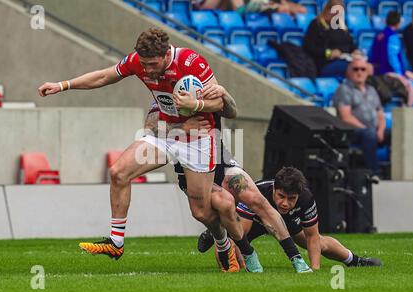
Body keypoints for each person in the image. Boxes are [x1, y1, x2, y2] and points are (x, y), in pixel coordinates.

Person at [38, 28, 239, 271]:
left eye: (153, 64)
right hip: (167, 133)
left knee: (201, 212)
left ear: (167, 54)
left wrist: (195, 104)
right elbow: (104, 76)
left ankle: (222, 243)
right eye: (144, 64)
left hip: (198, 139)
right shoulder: (138, 62)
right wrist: (63, 85)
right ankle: (116, 242)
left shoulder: (191, 62)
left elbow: (219, 102)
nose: (148, 70)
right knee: (118, 172)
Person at [145, 83, 313, 273]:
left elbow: (232, 111)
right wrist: (182, 127)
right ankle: (241, 248)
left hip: (221, 162)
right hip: (192, 172)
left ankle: (296, 259)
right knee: (222, 206)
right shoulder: (166, 98)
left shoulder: (205, 89)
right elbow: (151, 130)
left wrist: (225, 93)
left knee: (258, 201)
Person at [197, 167, 383, 270]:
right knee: (235, 241)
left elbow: (312, 237)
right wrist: (244, 267)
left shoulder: (306, 198)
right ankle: (216, 231)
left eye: (291, 199)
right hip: (256, 218)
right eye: (281, 196)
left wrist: (314, 269)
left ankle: (355, 261)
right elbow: (239, 237)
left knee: (319, 242)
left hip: (286, 223)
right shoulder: (259, 192)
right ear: (273, 190)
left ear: (298, 195)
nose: (285, 203)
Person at [332, 56, 389, 177]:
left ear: (367, 72)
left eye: (363, 69)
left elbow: (380, 114)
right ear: (349, 72)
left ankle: (396, 171)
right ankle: (374, 173)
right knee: (368, 134)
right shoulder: (344, 89)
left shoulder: (372, 90)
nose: (359, 72)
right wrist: (368, 129)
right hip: (353, 131)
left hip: (373, 130)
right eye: (355, 69)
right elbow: (346, 117)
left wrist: (381, 130)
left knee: (398, 134)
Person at [303, 0, 360, 78]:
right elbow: (308, 47)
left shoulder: (341, 26)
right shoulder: (316, 24)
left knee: (365, 66)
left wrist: (355, 52)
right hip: (326, 63)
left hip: (346, 59)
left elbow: (351, 45)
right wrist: (329, 53)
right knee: (354, 68)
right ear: (328, 10)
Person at [370, 11, 410, 77]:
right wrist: (399, 74)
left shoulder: (379, 35)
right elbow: (392, 56)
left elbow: (371, 52)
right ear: (398, 23)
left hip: (377, 72)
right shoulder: (392, 37)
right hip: (389, 74)